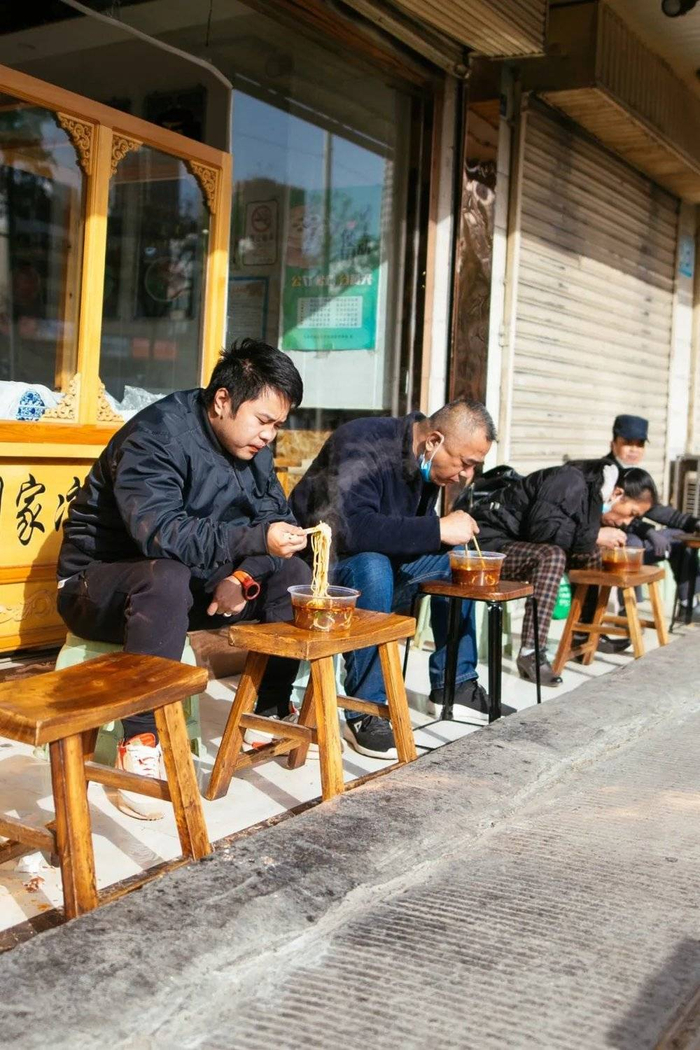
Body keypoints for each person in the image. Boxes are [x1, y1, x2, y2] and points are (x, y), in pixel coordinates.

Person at [57, 339, 310, 819]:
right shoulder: (156, 438)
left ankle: (268, 710)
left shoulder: (249, 445)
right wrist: (252, 542)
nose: (270, 437)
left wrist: (242, 572)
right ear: (222, 401)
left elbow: (276, 516)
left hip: (190, 584)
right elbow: (161, 534)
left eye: (279, 425)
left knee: (292, 573)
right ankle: (141, 740)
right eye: (264, 421)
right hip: (99, 588)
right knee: (166, 575)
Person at [290, 397, 508, 761]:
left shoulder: (428, 464)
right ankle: (366, 710)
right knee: (372, 565)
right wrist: (437, 527)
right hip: (319, 571)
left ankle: (456, 682)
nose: (465, 475)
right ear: (433, 440)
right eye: (465, 463)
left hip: (380, 566)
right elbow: (348, 530)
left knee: (458, 563)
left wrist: (440, 535)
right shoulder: (361, 443)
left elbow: (405, 536)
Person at [470, 459, 658, 685]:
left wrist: (593, 540)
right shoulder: (570, 480)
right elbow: (541, 529)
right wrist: (595, 535)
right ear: (618, 493)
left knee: (590, 553)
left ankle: (585, 634)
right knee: (552, 556)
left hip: (514, 544)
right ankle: (531, 652)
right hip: (486, 546)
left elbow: (571, 537)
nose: (627, 522)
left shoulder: (593, 493)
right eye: (631, 513)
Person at [602, 414, 700, 616]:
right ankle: (627, 611)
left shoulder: (635, 474)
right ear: (613, 444)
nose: (633, 450)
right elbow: (612, 516)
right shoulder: (606, 473)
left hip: (635, 535)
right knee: (633, 543)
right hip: (607, 539)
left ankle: (687, 603)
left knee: (679, 538)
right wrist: (648, 531)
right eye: (627, 443)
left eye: (639, 445)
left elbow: (655, 510)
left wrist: (693, 523)